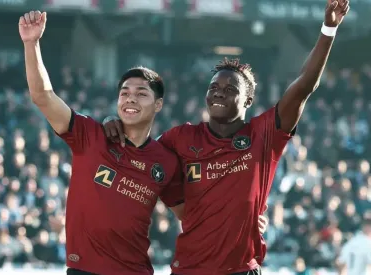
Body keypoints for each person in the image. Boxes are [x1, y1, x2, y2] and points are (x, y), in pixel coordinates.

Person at [103, 0, 350, 274]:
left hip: (242, 269)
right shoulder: (180, 138)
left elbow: (304, 85)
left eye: (230, 88)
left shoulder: (264, 135)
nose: (219, 92)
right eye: (213, 87)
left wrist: (328, 29)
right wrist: (114, 122)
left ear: (248, 100)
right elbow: (138, 154)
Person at [18, 9, 271, 275]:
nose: (130, 98)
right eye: (124, 92)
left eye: (141, 93)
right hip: (84, 270)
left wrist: (246, 220)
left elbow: (192, 215)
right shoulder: (89, 136)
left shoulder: (165, 160)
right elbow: (42, 96)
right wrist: (31, 43)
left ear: (158, 104)